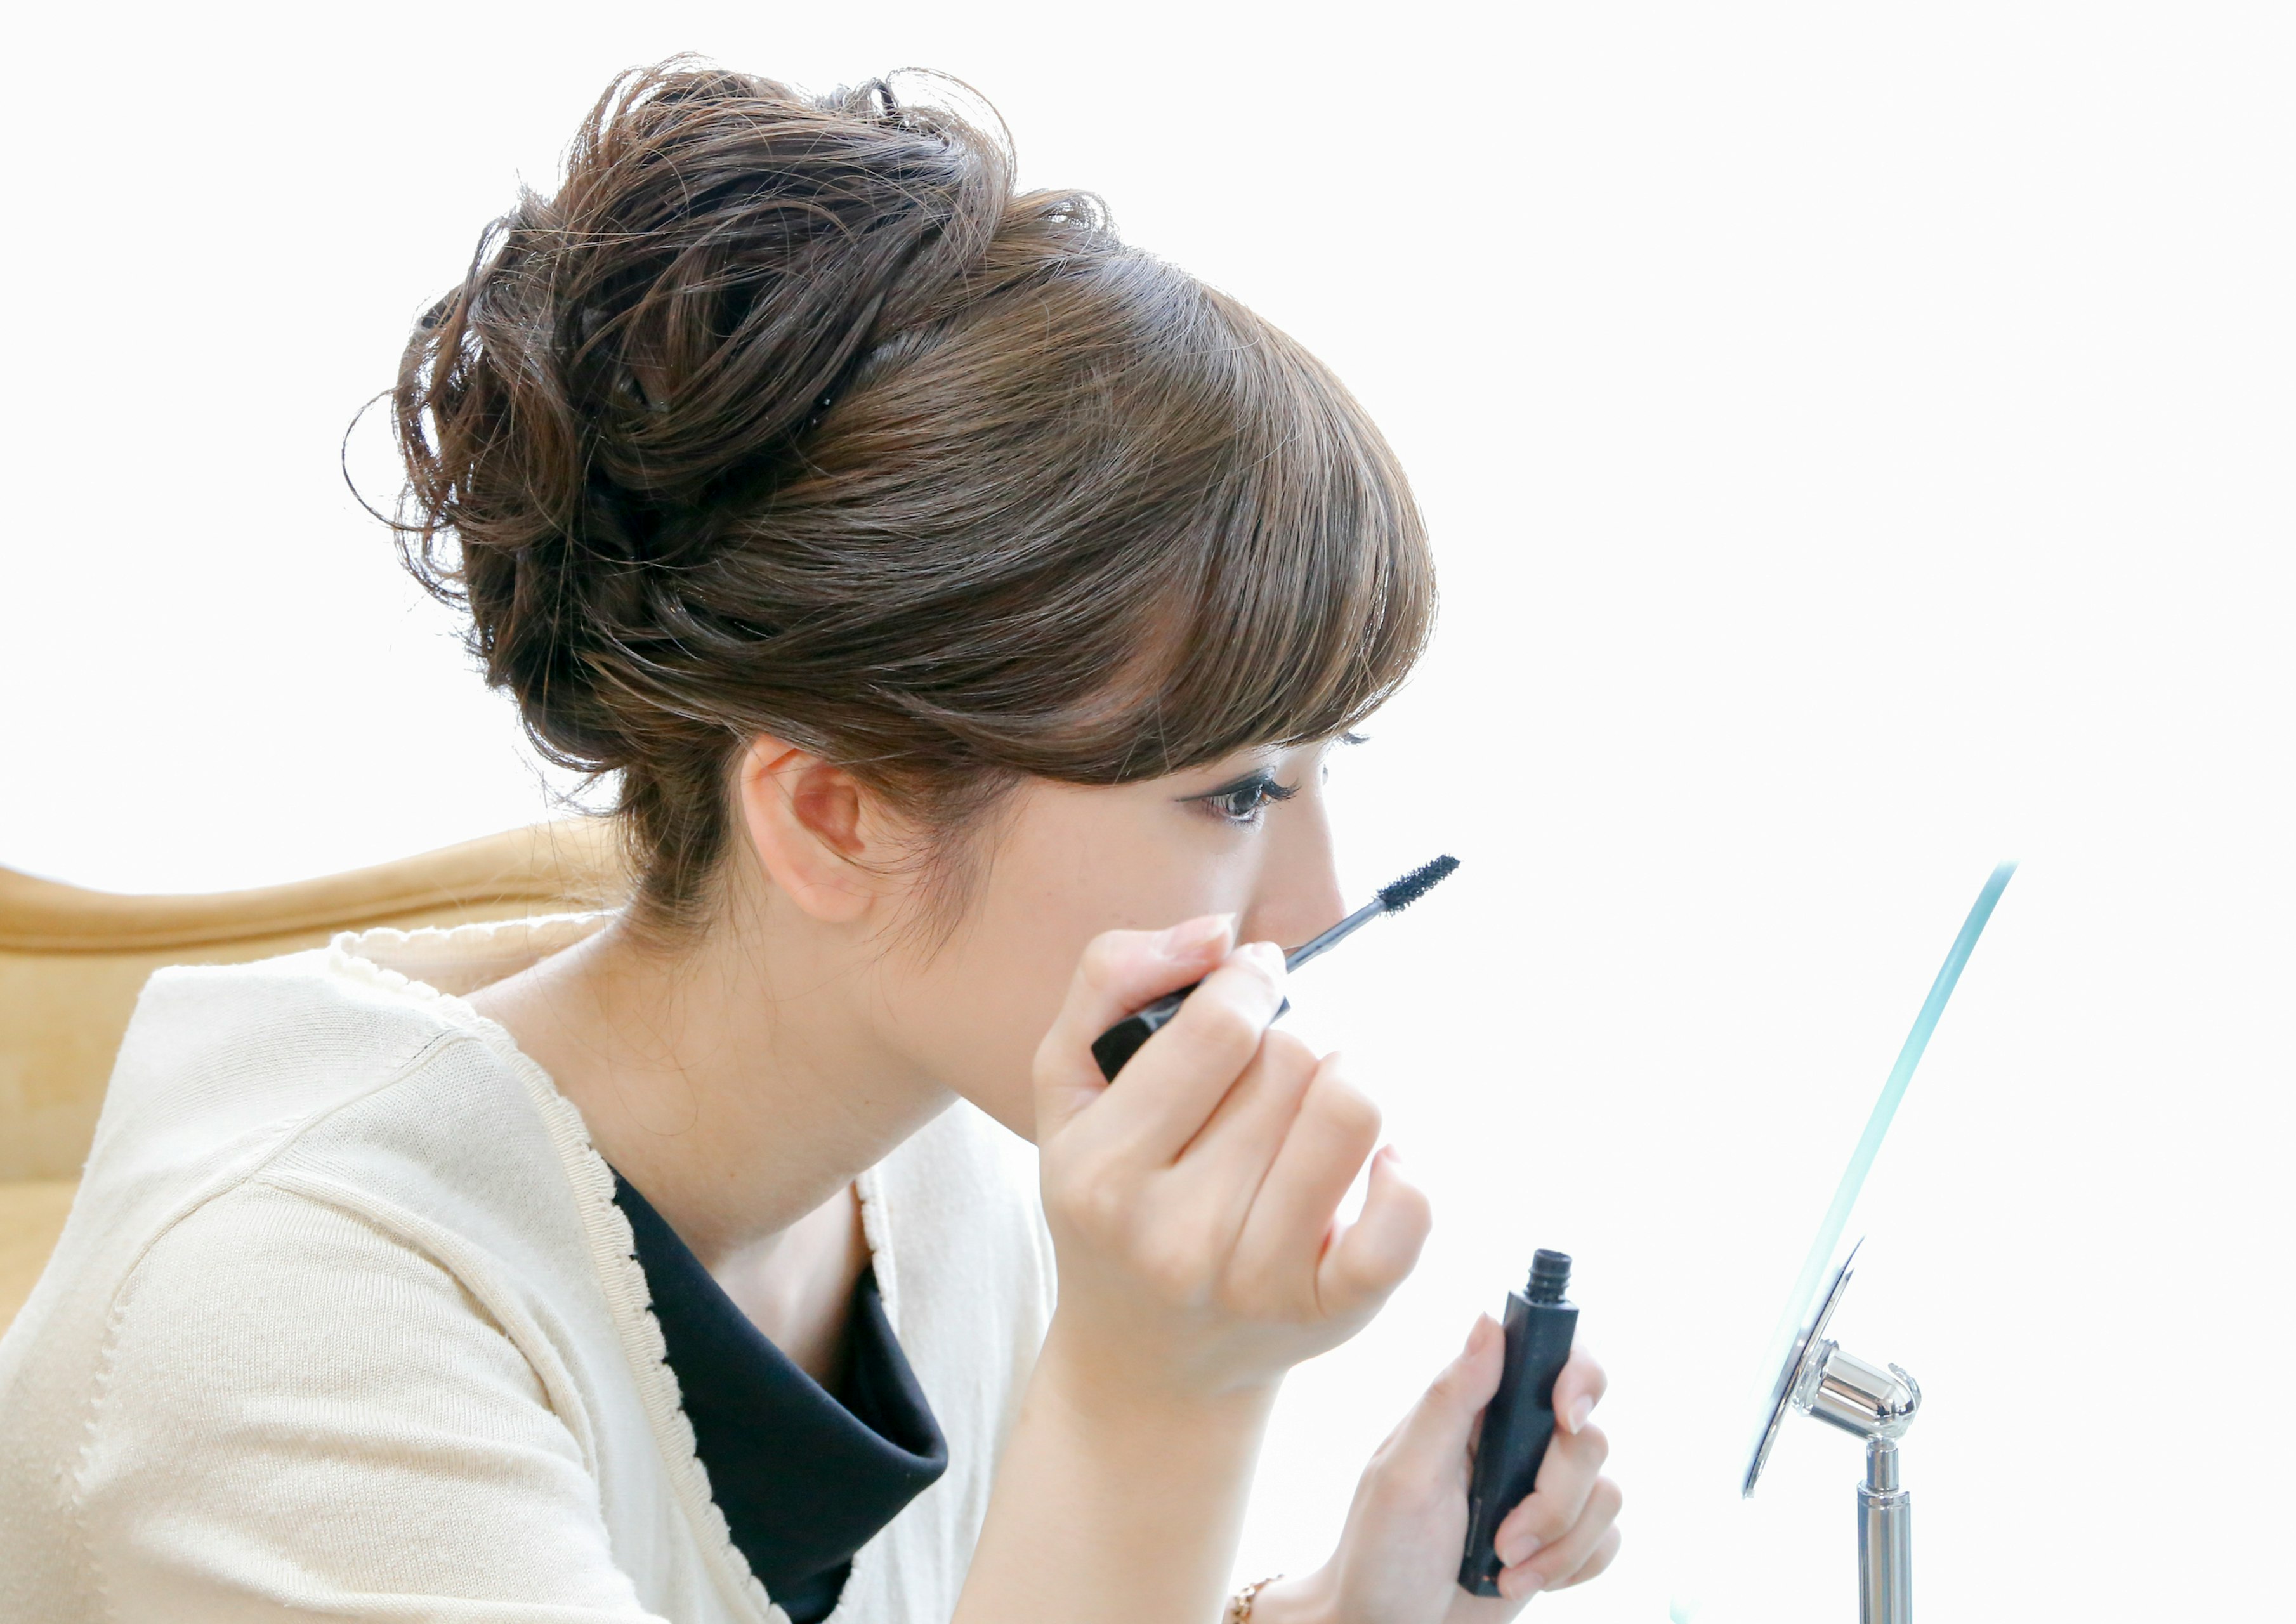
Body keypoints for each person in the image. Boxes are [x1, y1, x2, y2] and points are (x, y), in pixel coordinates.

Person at [0, 60, 1620, 1624]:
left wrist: (1350, 1603)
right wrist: (1160, 1402)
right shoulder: (278, 1338)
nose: (1314, 906)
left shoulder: (928, 1167)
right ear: (834, 812)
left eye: (1313, 776)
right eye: (1235, 795)